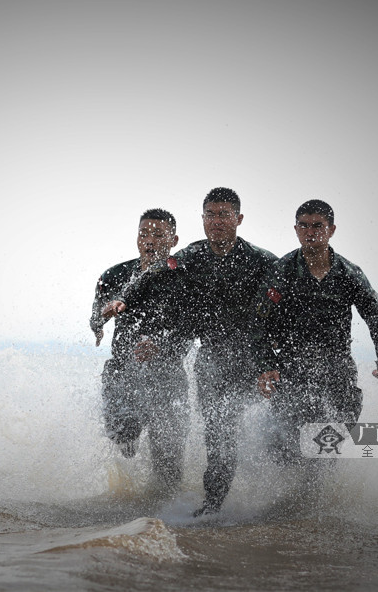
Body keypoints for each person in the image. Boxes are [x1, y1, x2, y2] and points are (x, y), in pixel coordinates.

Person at [126, 188, 277, 516]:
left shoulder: (263, 261)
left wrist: (275, 361)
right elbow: (151, 279)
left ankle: (282, 497)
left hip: (256, 361)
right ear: (203, 219)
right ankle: (213, 506)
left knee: (271, 433)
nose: (217, 221)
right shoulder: (188, 258)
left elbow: (287, 308)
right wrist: (124, 301)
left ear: (238, 219)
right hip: (212, 361)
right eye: (210, 214)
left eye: (224, 215)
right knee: (219, 432)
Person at [256, 199, 378, 465]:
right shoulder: (282, 271)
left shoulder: (348, 273)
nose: (310, 232)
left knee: (330, 442)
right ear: (296, 229)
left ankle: (322, 496)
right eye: (304, 226)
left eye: (318, 226)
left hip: (336, 366)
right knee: (288, 444)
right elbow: (259, 323)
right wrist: (266, 364)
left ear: (331, 230)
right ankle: (288, 494)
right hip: (293, 366)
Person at [90, 208, 191, 494]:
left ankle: (167, 517)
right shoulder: (114, 275)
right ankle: (126, 512)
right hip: (122, 373)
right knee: (124, 442)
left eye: (158, 235)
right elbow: (96, 316)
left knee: (168, 464)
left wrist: (162, 345)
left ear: (174, 239)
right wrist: (99, 321)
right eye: (144, 234)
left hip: (167, 376)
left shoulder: (183, 279)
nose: (150, 240)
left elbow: (191, 328)